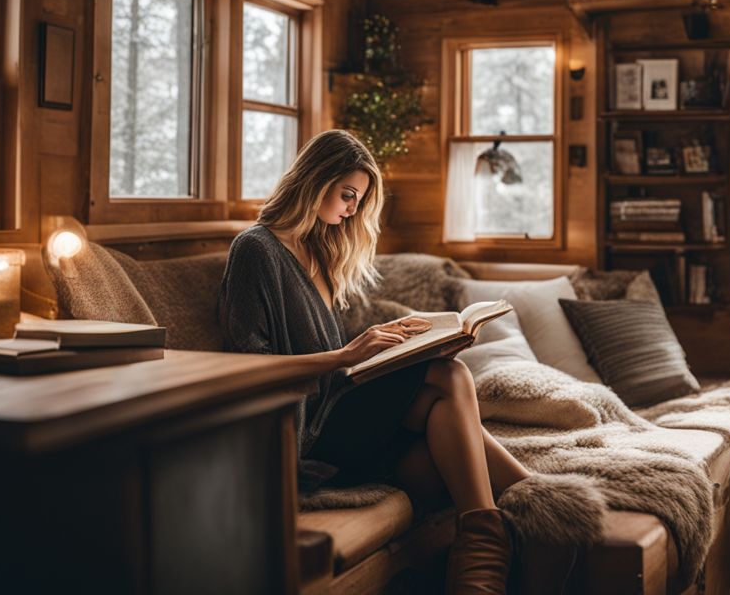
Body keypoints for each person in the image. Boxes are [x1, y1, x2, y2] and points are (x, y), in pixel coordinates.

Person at [217, 129, 530, 593]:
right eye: (347, 196)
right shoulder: (256, 250)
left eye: (358, 202)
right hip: (307, 433)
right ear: (314, 180)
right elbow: (248, 367)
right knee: (449, 377)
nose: (350, 211)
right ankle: (508, 523)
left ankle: (514, 518)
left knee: (444, 428)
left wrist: (401, 350)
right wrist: (347, 354)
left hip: (341, 410)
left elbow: (335, 366)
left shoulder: (319, 249)